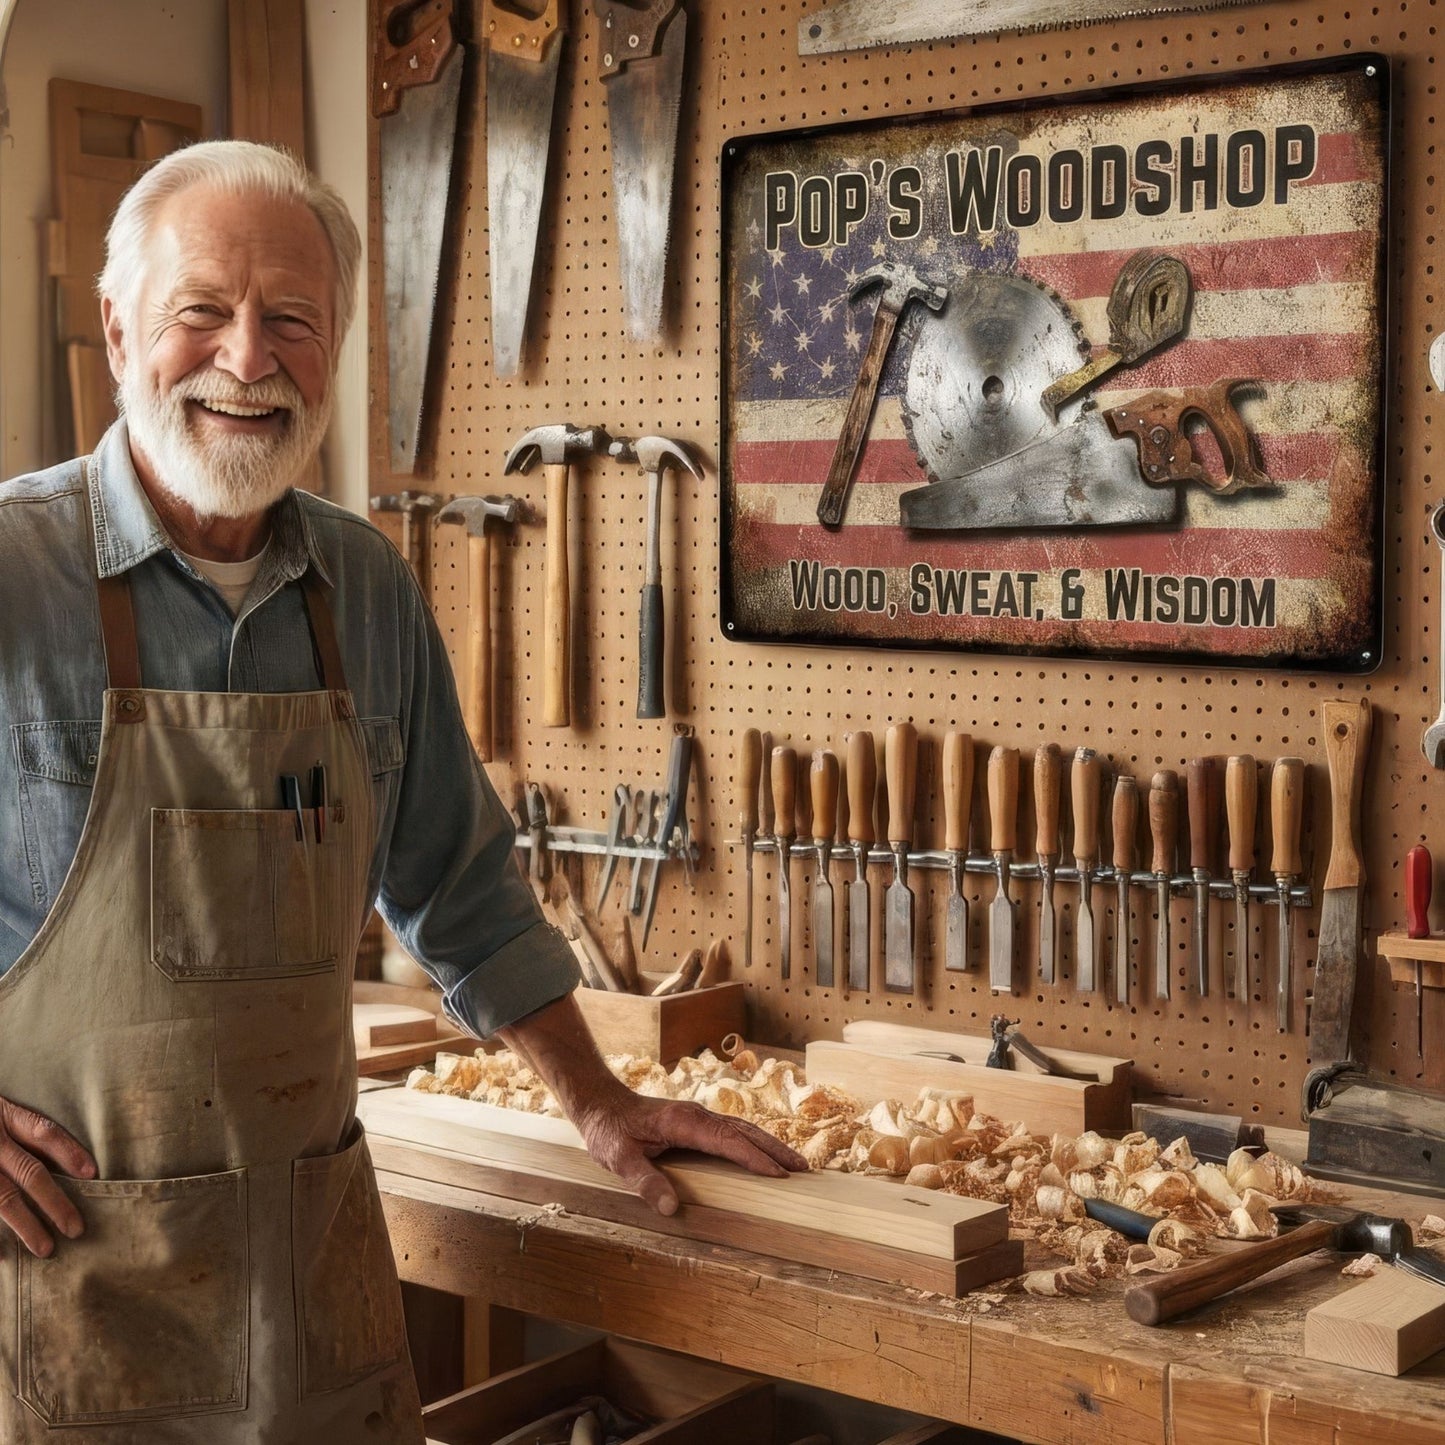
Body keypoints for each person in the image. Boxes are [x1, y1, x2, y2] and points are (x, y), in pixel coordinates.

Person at [0, 140, 803, 1444]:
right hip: (61, 1298)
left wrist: (597, 1100)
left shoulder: (361, 592)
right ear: (115, 327)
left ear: (339, 344)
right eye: (201, 310)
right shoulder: (11, 573)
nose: (248, 359)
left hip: (303, 1296)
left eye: (293, 320)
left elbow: (461, 886)